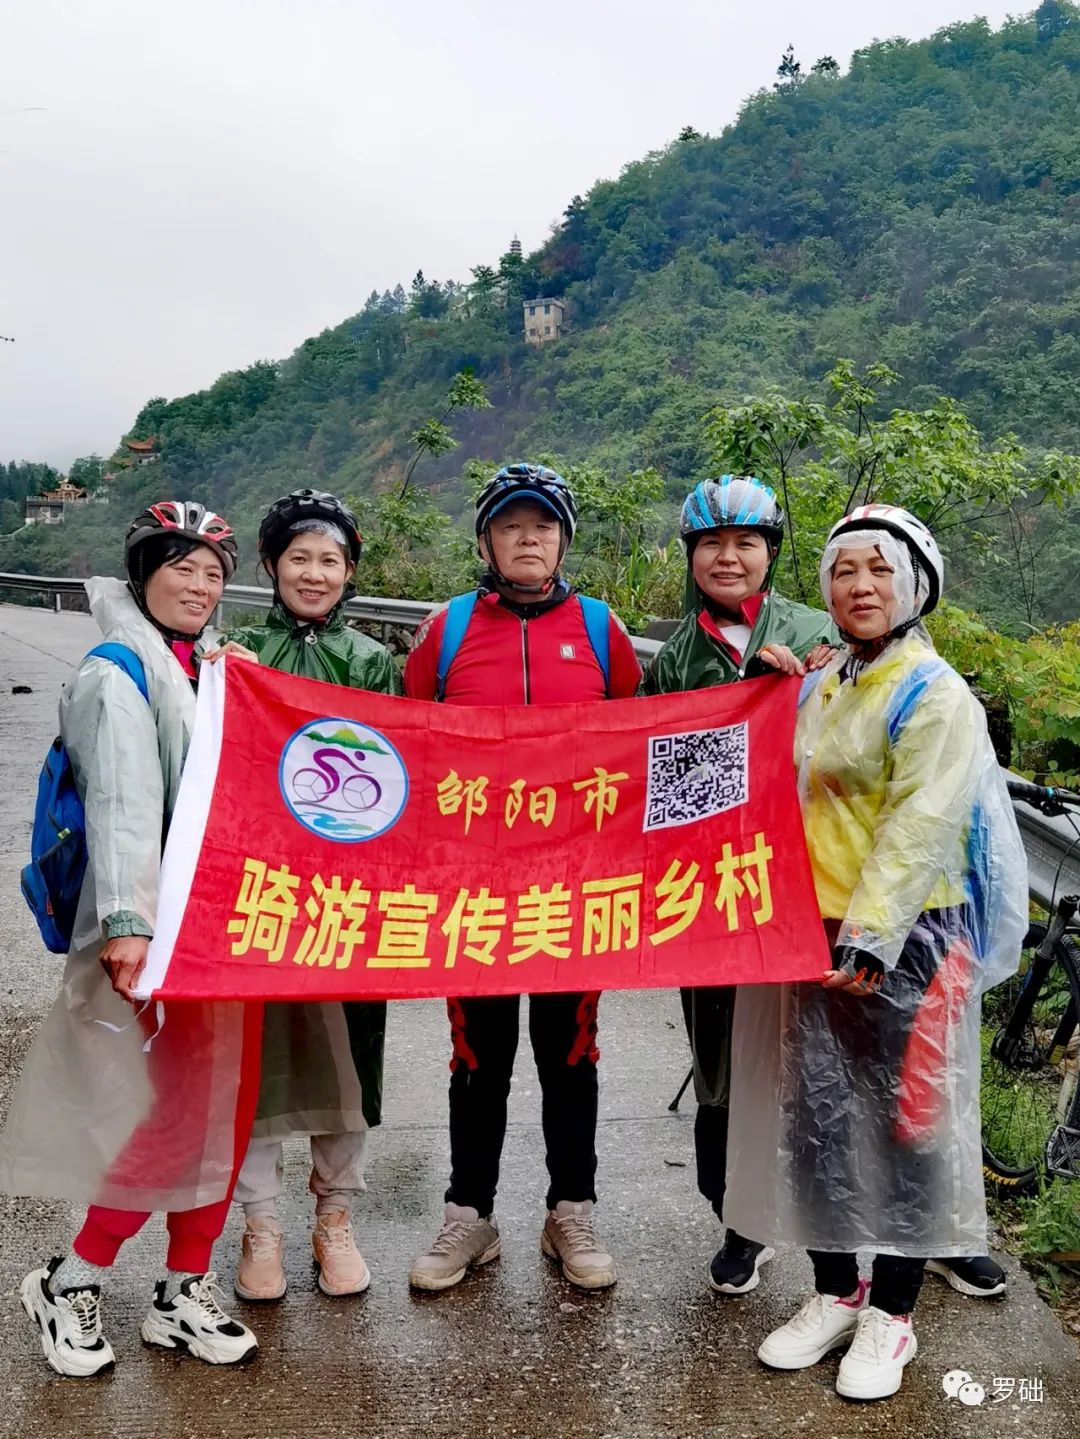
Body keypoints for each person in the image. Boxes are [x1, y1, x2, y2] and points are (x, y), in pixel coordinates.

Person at [723, 503, 1027, 1400]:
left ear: (916, 583)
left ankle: (893, 1312)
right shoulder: (825, 680)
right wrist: (766, 683)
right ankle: (833, 1291)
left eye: (879, 569)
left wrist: (872, 934)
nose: (859, 586)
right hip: (804, 930)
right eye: (844, 569)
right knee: (813, 1120)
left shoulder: (932, 692)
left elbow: (920, 822)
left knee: (905, 1126)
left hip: (905, 936)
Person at [0, 501, 263, 1376]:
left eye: (213, 571)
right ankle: (72, 1275)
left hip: (228, 930)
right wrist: (127, 930)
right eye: (180, 565)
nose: (198, 583)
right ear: (144, 571)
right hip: (160, 935)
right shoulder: (119, 672)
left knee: (224, 1109)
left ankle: (183, 1288)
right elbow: (121, 807)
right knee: (168, 1114)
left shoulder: (196, 664)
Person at [403, 462, 641, 1292]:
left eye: (543, 525)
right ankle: (471, 1214)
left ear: (564, 540)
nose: (528, 538)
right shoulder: (449, 629)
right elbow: (409, 745)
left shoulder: (603, 629)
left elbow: (640, 742)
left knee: (569, 1052)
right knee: (479, 1054)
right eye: (511, 526)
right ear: (486, 542)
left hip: (572, 888)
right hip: (474, 889)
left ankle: (569, 1209)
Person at [642, 475, 835, 1296]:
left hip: (814, 875)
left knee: (825, 1050)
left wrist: (803, 691)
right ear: (691, 557)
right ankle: (739, 1219)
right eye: (712, 544)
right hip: (713, 885)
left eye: (746, 542)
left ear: (769, 553)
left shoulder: (822, 631)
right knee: (721, 1050)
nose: (729, 556)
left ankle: (866, 1223)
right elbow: (660, 785)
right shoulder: (674, 660)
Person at [210, 489, 402, 1302]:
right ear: (271, 567)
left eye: (330, 559)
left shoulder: (372, 662)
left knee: (347, 1061)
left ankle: (336, 1217)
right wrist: (218, 678)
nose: (314, 573)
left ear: (350, 571)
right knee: (258, 1062)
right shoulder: (236, 654)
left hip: (350, 898)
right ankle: (261, 1224)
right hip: (258, 893)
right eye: (299, 558)